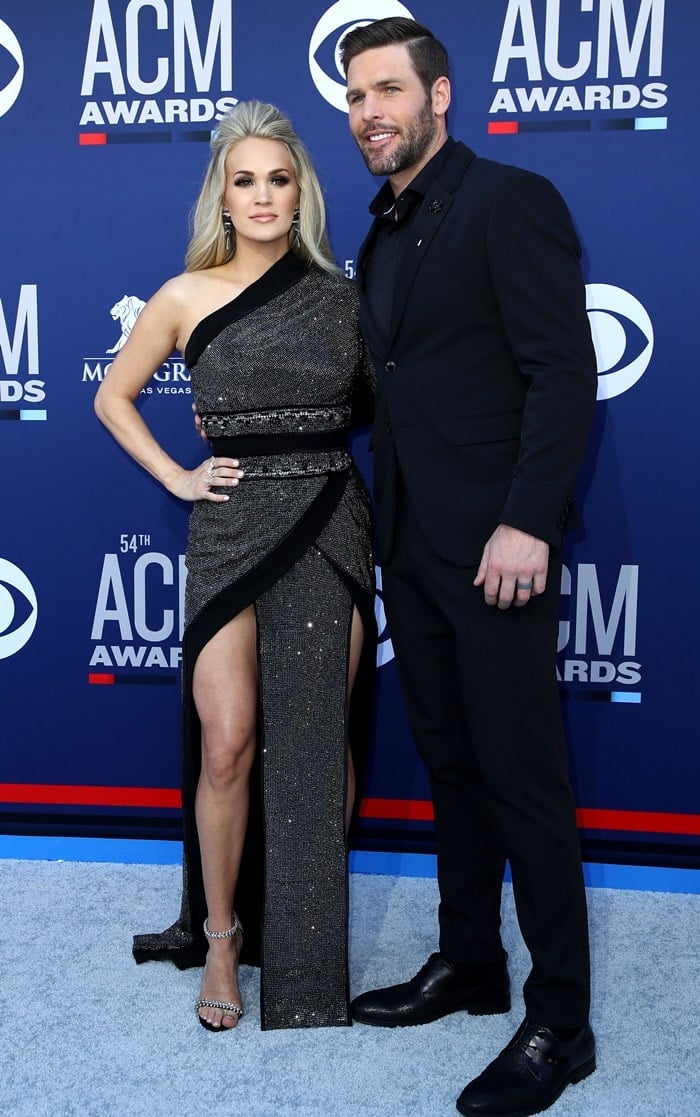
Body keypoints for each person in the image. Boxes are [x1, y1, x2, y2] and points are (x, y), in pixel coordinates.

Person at [339, 18, 598, 1117]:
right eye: (355, 98)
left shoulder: (510, 199)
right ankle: (471, 962)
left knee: (522, 780)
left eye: (388, 90)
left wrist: (528, 520)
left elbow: (561, 373)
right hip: (413, 542)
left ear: (441, 95)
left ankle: (562, 1023)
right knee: (450, 765)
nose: (368, 115)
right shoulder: (382, 233)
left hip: (497, 549)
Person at [94, 100, 376, 1033]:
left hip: (329, 520)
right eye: (244, 179)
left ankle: (303, 932)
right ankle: (221, 933)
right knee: (228, 743)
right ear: (223, 193)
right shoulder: (184, 295)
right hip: (227, 531)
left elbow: (385, 406)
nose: (262, 195)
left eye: (280, 178)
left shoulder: (344, 294)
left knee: (317, 739)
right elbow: (113, 395)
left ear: (303, 194)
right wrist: (178, 473)